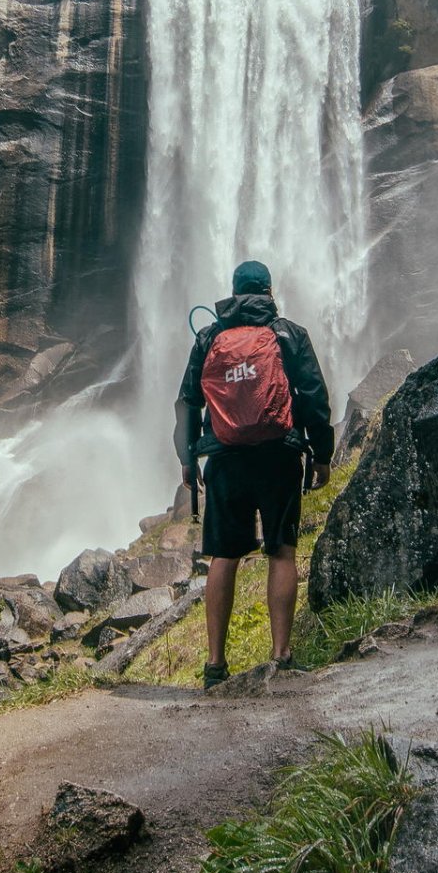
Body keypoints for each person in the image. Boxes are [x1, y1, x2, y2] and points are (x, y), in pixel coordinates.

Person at [175, 259, 333, 689]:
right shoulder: (288, 334)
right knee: (281, 550)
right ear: (268, 291)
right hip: (279, 454)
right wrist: (322, 452)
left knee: (224, 555)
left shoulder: (209, 337)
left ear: (233, 291)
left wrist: (187, 457)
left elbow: (189, 401)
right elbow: (313, 395)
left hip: (225, 458)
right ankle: (281, 657)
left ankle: (214, 666)